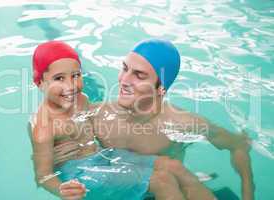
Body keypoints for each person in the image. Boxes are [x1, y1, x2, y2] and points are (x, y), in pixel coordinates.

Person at [28, 41, 215, 200]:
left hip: (102, 157)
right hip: (79, 175)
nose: (70, 86)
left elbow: (100, 121)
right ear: (40, 83)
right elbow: (42, 176)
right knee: (162, 182)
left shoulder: (82, 100)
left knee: (171, 165)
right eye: (59, 78)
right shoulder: (44, 126)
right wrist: (61, 190)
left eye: (75, 76)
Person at [89, 38, 255, 200]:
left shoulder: (181, 123)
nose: (124, 80)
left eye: (139, 75)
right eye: (125, 69)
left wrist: (248, 194)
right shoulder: (97, 116)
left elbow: (239, 145)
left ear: (161, 88)